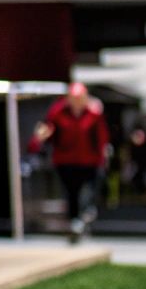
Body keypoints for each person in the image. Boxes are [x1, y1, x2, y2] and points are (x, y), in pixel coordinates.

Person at [29, 83, 110, 243]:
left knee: (88, 191)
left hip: (89, 161)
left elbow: (101, 137)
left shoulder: (94, 113)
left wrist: (102, 157)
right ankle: (75, 222)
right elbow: (47, 132)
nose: (77, 101)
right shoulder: (58, 112)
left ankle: (85, 215)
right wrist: (36, 142)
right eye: (74, 98)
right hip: (66, 161)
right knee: (71, 192)